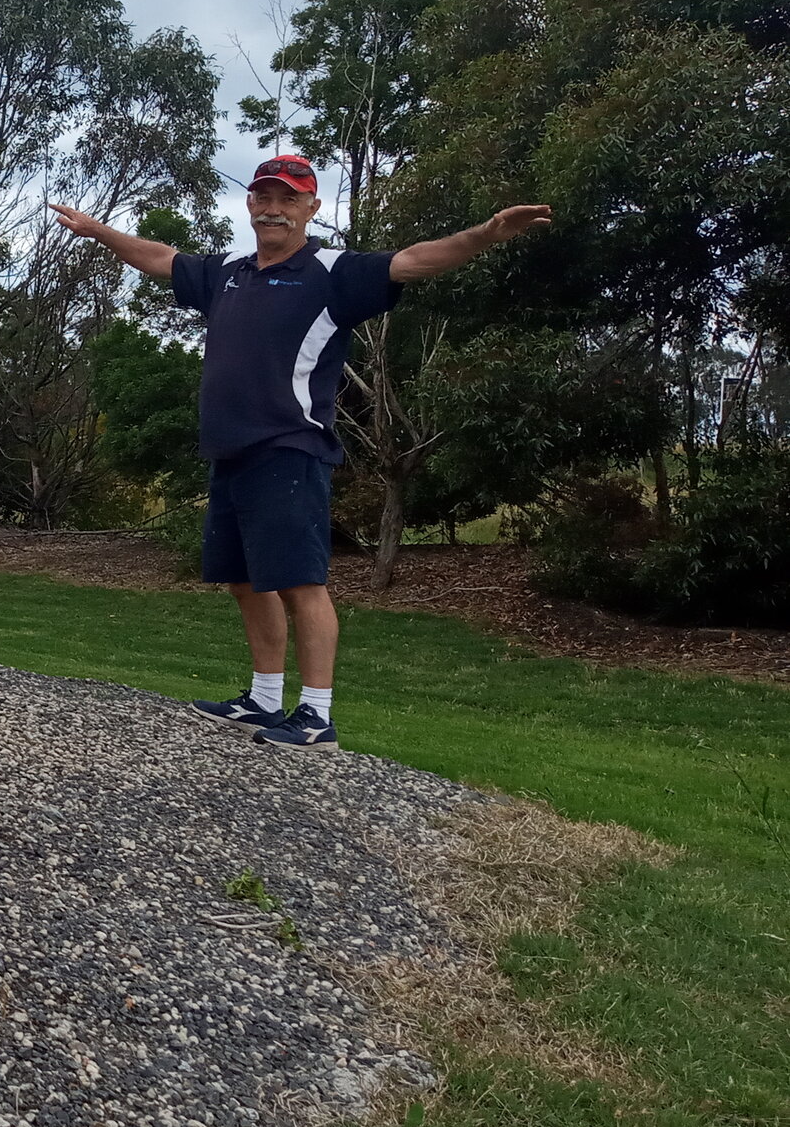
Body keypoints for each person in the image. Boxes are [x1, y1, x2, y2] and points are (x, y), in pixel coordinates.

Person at [53, 155, 550, 750]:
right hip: (230, 454)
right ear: (250, 206)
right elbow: (163, 259)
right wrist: (99, 230)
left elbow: (415, 260)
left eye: (289, 199)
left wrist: (484, 235)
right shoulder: (228, 272)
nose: (273, 208)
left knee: (298, 583)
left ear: (312, 209)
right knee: (245, 580)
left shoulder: (334, 272)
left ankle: (316, 715)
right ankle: (264, 698)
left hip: (289, 450)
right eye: (264, 197)